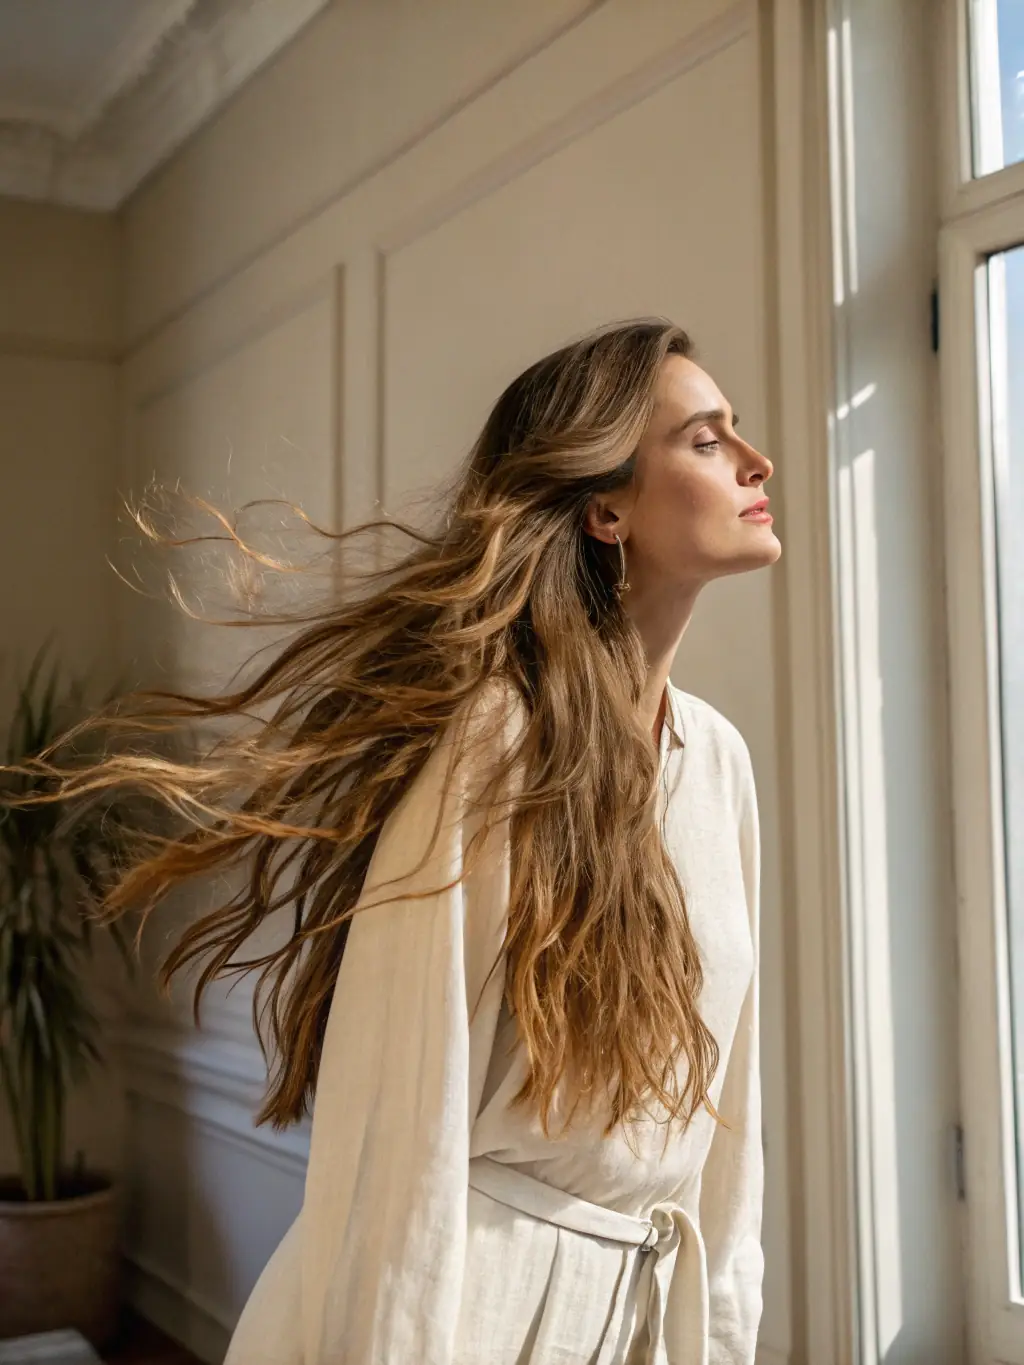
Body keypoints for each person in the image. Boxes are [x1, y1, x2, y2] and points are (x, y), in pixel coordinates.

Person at [33, 319, 779, 1363]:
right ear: (603, 506)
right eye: (706, 441)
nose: (757, 462)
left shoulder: (720, 762)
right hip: (477, 1310)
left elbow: (726, 1113)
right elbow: (402, 1111)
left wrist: (728, 1334)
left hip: (650, 1316)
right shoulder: (500, 740)